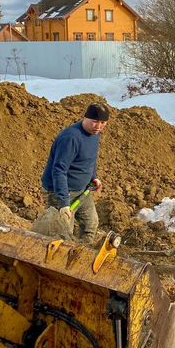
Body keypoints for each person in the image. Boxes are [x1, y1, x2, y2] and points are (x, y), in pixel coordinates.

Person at [41, 102, 110, 244]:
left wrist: (94, 177)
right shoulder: (71, 138)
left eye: (103, 123)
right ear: (85, 118)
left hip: (82, 191)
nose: (98, 126)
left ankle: (82, 254)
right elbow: (59, 170)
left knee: (90, 224)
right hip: (62, 192)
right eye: (95, 121)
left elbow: (90, 159)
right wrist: (64, 202)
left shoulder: (95, 134)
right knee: (63, 233)